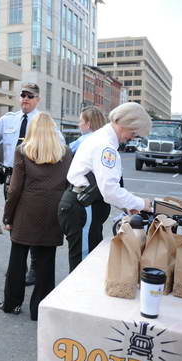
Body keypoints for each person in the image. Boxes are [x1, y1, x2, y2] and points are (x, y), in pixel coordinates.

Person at [0, 82, 64, 286]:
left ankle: (34, 268)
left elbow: (60, 148)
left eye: (30, 96)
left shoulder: (45, 123)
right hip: (12, 178)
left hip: (36, 179)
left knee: (34, 224)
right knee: (15, 223)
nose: (25, 98)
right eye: (23, 95)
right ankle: (20, 267)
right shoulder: (9, 120)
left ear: (38, 99)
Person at [58, 102, 153, 273]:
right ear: (125, 124)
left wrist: (127, 206)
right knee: (83, 269)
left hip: (82, 204)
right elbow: (109, 190)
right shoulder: (105, 146)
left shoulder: (100, 139)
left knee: (85, 263)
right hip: (83, 207)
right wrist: (141, 204)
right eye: (134, 132)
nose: (132, 137)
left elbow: (102, 186)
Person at [0, 112, 73, 321]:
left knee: (17, 260)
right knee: (46, 263)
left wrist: (7, 216)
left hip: (26, 212)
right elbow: (68, 185)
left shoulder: (23, 151)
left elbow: (14, 190)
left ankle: (12, 303)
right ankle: (39, 309)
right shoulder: (65, 153)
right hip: (52, 212)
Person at [68, 107, 108, 260]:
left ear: (89, 123)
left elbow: (64, 153)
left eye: (80, 121)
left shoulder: (84, 140)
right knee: (95, 240)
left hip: (86, 199)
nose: (79, 125)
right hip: (100, 201)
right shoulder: (105, 141)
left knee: (82, 251)